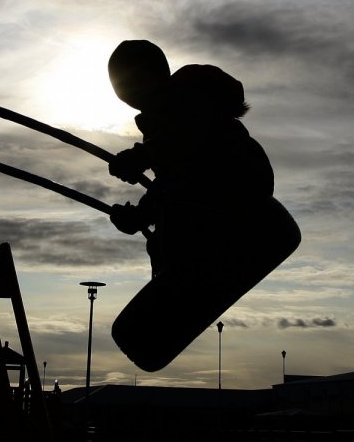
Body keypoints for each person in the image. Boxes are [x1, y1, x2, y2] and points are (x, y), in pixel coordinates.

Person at [107, 40, 300, 370]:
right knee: (167, 232)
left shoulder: (187, 104)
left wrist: (144, 157)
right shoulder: (164, 122)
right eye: (120, 89)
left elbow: (197, 146)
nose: (125, 95)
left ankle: (181, 281)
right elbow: (173, 183)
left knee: (172, 230)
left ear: (150, 76)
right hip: (221, 209)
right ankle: (176, 283)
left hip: (238, 202)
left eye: (127, 84)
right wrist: (140, 216)